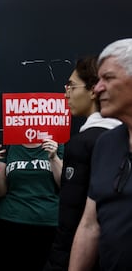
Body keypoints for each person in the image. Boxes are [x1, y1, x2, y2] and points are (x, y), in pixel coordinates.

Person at [43, 56, 121, 271]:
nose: (66, 93)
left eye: (71, 85)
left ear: (93, 90)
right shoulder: (123, 138)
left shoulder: (83, 143)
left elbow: (75, 217)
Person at [68, 39, 132, 270]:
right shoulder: (106, 145)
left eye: (109, 78)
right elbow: (89, 225)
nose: (97, 89)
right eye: (98, 80)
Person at [0, 136, 63, 270]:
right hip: (12, 221)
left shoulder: (56, 143)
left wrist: (53, 157)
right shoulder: (9, 144)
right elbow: (0, 191)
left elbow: (64, 185)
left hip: (48, 223)